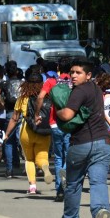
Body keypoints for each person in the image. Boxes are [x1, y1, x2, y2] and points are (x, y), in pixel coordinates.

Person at [53, 58, 110, 218]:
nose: (73, 76)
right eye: (72, 72)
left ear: (88, 75)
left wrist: (58, 112)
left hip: (80, 144)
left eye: (78, 72)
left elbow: (68, 114)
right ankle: (100, 211)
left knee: (73, 184)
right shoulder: (95, 89)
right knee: (98, 182)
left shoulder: (78, 91)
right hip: (102, 143)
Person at [3, 71, 53, 194]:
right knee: (42, 156)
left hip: (27, 130)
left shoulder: (23, 98)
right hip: (44, 129)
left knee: (29, 159)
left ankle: (32, 187)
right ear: (42, 83)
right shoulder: (48, 96)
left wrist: (7, 134)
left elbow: (14, 118)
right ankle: (45, 168)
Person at [34, 57, 73, 201]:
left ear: (58, 68)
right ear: (70, 69)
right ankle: (66, 182)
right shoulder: (73, 82)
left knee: (57, 157)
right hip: (71, 123)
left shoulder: (51, 82)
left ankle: (59, 190)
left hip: (54, 123)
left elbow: (40, 97)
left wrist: (37, 114)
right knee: (69, 155)